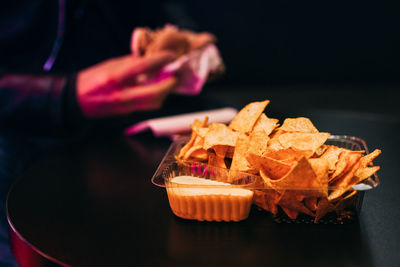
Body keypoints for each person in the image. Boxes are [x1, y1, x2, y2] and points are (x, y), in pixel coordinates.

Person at [0, 1, 220, 265]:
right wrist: (63, 95)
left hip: (128, 146)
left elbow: (164, 13)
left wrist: (191, 43)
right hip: (18, 158)